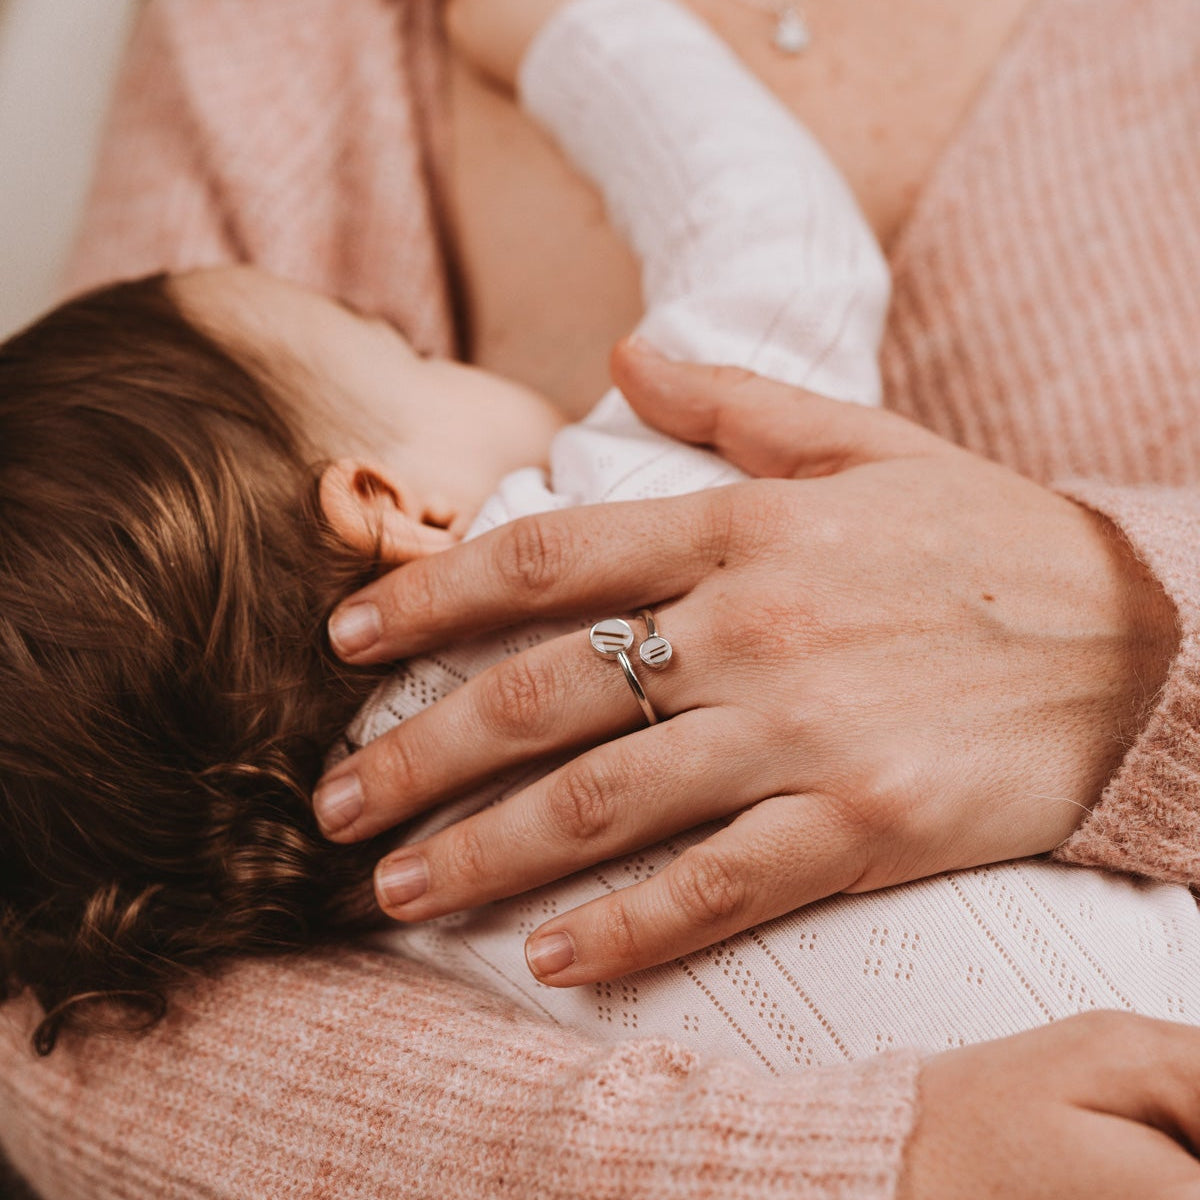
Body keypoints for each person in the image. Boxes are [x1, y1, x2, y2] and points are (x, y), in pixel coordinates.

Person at [2, 1, 1199, 1198]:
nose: (467, 365)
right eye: (404, 348)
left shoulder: (344, 890)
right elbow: (779, 231)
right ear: (382, 500)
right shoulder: (636, 489)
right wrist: (575, 41)